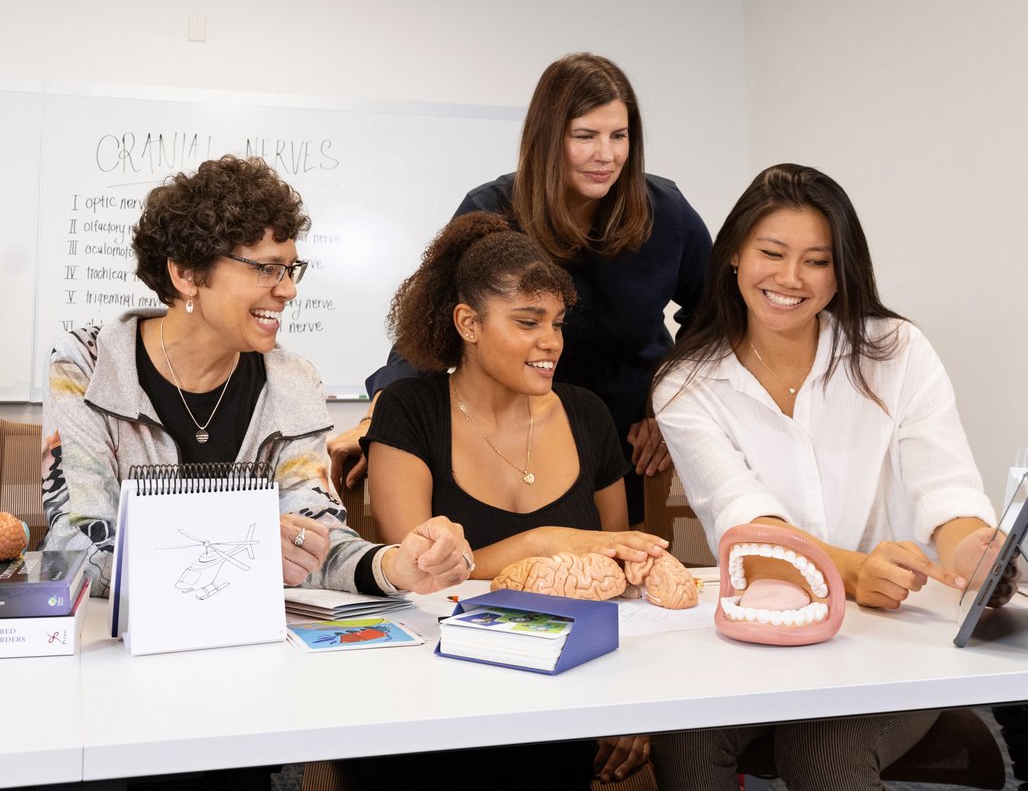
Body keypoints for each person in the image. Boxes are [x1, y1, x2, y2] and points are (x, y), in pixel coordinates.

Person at [649, 163, 1015, 790]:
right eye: (772, 253)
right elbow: (748, 528)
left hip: (896, 633)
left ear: (842, 270)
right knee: (682, 733)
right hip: (768, 630)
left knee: (820, 747)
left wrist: (974, 550)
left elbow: (945, 490)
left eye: (816, 261)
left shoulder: (897, 350)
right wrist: (855, 571)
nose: (790, 278)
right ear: (734, 254)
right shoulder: (687, 384)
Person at [41, 155, 473, 603]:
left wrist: (397, 565)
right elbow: (78, 545)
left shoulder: (293, 381)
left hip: (250, 634)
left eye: (290, 269)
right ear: (186, 274)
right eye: (266, 269)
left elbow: (315, 536)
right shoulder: (88, 366)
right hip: (116, 635)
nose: (288, 289)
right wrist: (246, 548)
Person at [329, 52, 713, 525]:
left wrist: (670, 404)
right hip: (510, 436)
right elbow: (432, 321)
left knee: (612, 555)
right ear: (548, 139)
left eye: (619, 135)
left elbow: (715, 317)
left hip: (630, 439)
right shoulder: (491, 209)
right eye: (585, 136)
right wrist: (380, 417)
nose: (607, 155)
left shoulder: (667, 211)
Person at [363, 211, 667, 787]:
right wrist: (542, 543)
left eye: (557, 322)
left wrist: (631, 701)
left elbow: (618, 581)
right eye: (528, 322)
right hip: (437, 691)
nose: (551, 342)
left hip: (566, 688)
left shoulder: (587, 414)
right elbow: (418, 574)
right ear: (468, 323)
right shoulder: (409, 410)